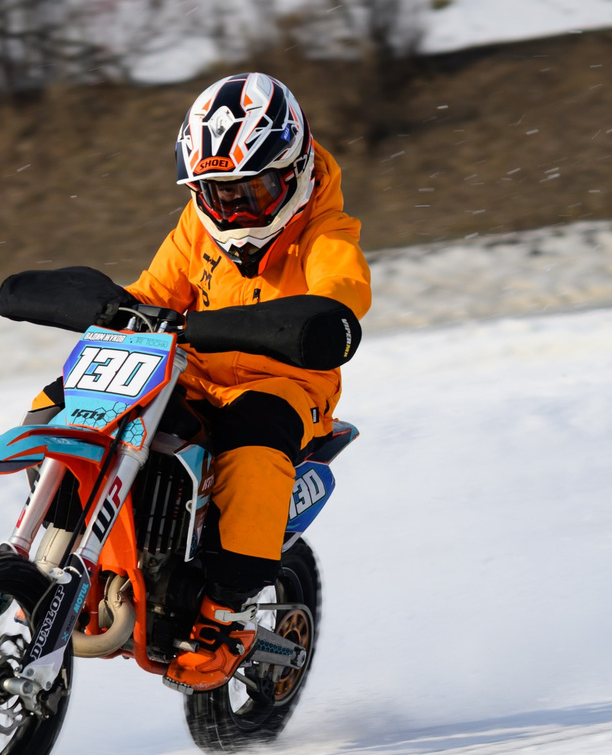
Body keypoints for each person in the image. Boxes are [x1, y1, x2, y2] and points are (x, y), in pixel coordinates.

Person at [38, 72, 371, 690]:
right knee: (69, 398)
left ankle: (220, 619)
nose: (235, 210)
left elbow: (340, 295)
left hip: (284, 384)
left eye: (253, 190)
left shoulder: (328, 235)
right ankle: (57, 540)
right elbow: (151, 295)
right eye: (219, 194)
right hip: (192, 371)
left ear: (294, 172)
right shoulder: (198, 228)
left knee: (252, 450)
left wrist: (328, 317)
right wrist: (113, 310)